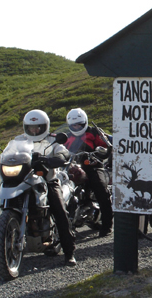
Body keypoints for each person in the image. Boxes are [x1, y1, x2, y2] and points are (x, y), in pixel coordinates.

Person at [22, 109, 77, 265]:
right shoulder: (19, 140)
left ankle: (69, 252)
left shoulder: (53, 140)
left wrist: (58, 158)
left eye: (37, 127)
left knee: (59, 212)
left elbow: (63, 152)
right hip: (25, 181)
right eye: (31, 127)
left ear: (44, 126)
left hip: (48, 180)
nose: (34, 130)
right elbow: (9, 152)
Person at [64, 108, 113, 238]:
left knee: (100, 189)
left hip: (92, 165)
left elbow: (108, 142)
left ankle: (107, 225)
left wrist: (104, 149)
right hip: (71, 167)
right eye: (74, 125)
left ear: (84, 122)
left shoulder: (94, 132)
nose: (77, 127)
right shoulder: (67, 136)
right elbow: (56, 147)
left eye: (79, 124)